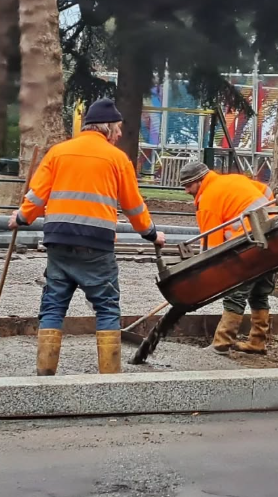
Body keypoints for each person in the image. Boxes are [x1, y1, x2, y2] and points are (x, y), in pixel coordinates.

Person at [9, 99, 166, 376]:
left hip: (58, 240)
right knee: (106, 306)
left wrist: (21, 218)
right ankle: (109, 373)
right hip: (97, 244)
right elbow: (133, 206)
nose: (119, 134)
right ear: (106, 128)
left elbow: (36, 196)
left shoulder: (58, 153)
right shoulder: (117, 159)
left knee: (53, 303)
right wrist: (151, 234)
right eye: (117, 129)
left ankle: (45, 370)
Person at [179, 162, 275, 356]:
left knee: (235, 292)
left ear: (199, 181)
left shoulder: (207, 201)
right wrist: (268, 217)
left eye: (188, 185)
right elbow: (266, 191)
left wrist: (205, 275)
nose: (187, 190)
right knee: (259, 291)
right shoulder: (233, 179)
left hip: (248, 242)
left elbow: (211, 247)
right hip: (272, 234)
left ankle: (222, 343)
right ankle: (258, 342)